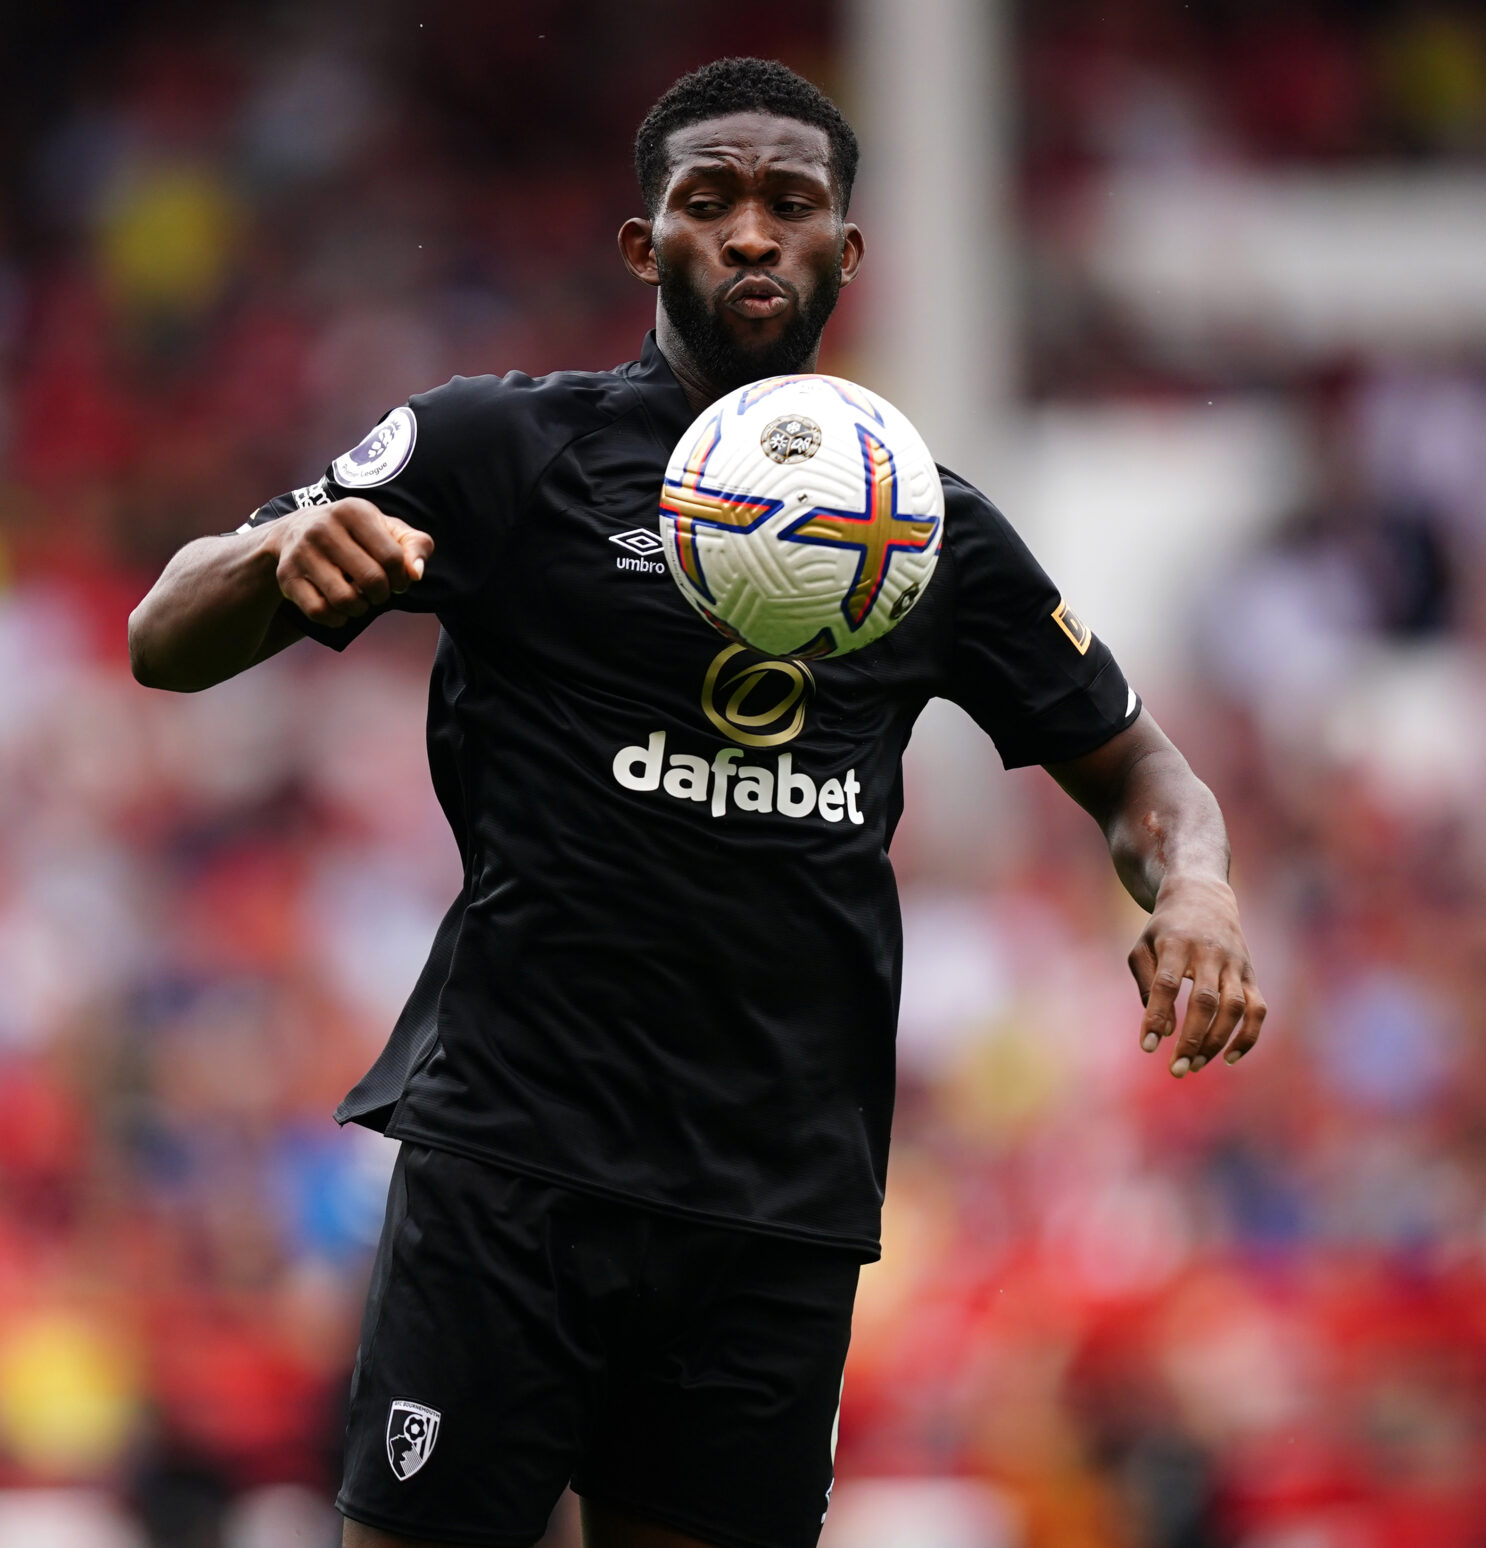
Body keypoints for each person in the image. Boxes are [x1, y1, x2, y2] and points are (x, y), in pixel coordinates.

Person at [127, 56, 1265, 1548]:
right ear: (641, 242)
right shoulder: (501, 451)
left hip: (773, 1202)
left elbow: (1143, 772)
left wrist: (1198, 888)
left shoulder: (927, 527)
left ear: (846, 250)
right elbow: (163, 636)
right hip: (516, 1159)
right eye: (708, 199)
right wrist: (274, 556)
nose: (749, 233)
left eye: (791, 203)